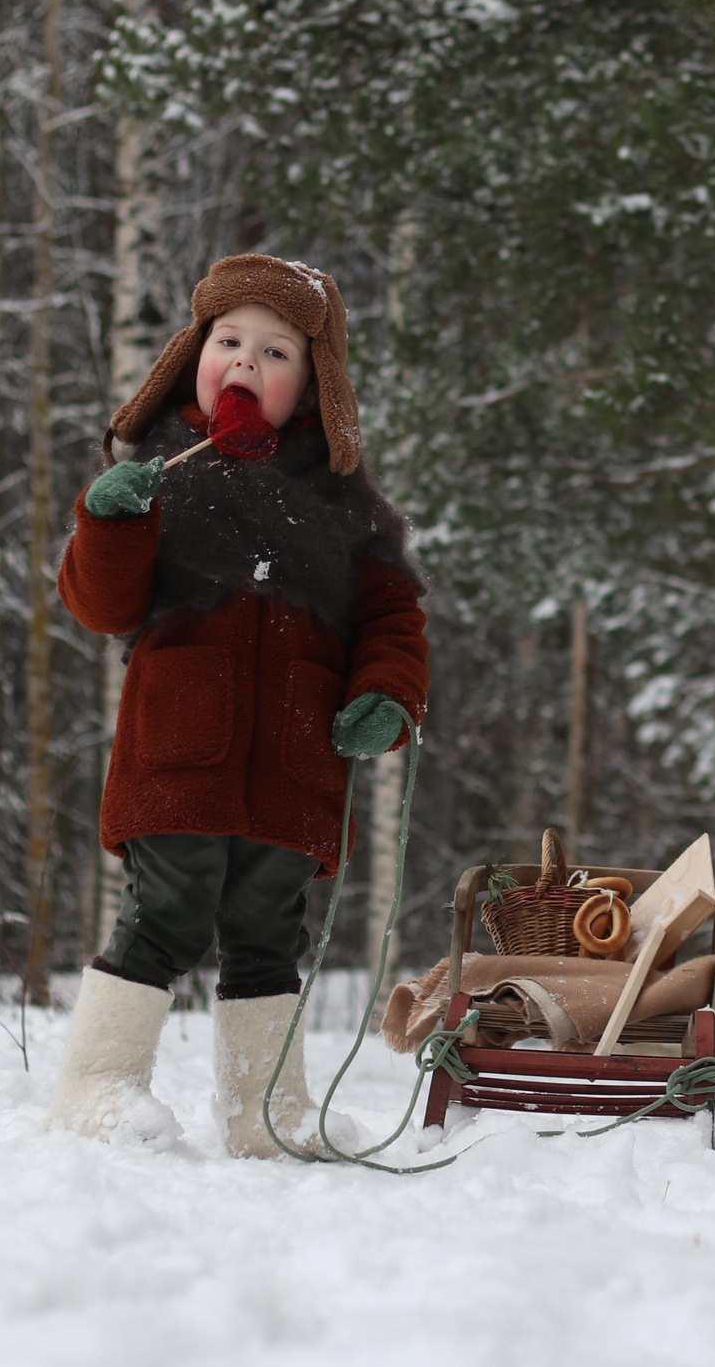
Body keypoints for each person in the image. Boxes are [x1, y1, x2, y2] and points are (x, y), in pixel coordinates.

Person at [43, 254, 428, 1155]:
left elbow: (391, 614)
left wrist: (385, 690)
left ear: (316, 386)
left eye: (276, 351)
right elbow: (101, 605)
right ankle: (97, 1088)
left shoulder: (347, 509)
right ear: (194, 357)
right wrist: (107, 523)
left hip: (295, 757)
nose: (247, 362)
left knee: (267, 930)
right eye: (230, 342)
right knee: (167, 908)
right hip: (179, 748)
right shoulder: (161, 478)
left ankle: (268, 1112)